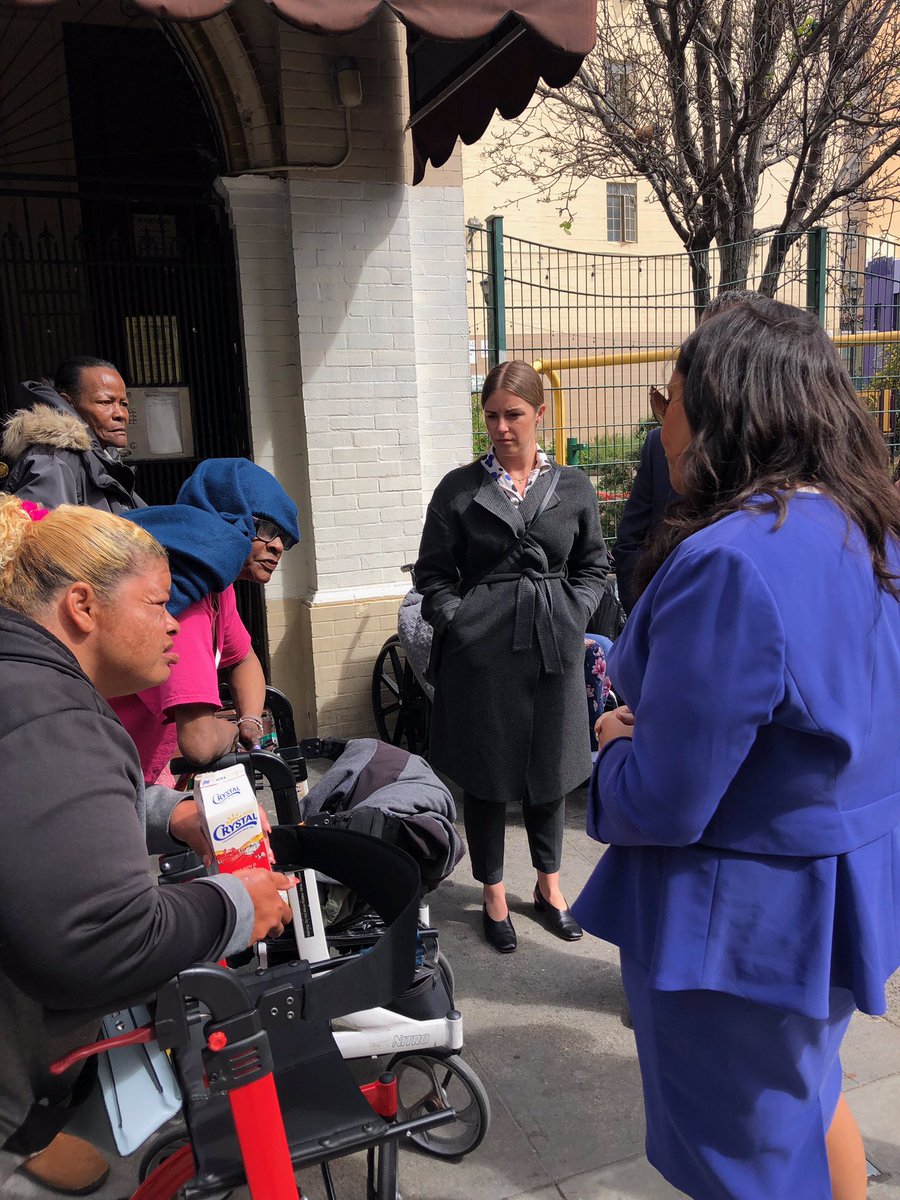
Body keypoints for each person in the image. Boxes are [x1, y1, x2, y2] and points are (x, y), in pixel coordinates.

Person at [573, 298, 900, 1200]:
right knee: (811, 1104)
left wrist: (614, 749)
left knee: (746, 1168)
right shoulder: (871, 530)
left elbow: (667, 797)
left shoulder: (734, 557)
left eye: (669, 399)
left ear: (724, 406)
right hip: (834, 903)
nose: (661, 424)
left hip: (738, 930)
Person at [0, 496, 294, 1195]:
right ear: (82, 605)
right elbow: (102, 940)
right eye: (159, 604)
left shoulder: (28, 683)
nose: (173, 624)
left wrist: (177, 815)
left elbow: (52, 812)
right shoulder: (51, 714)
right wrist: (235, 904)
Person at [415, 361, 610, 953]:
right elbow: (432, 575)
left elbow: (594, 565)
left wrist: (573, 612)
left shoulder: (573, 487)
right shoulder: (458, 488)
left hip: (552, 644)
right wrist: (462, 624)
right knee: (487, 774)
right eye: (492, 415)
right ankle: (494, 893)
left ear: (540, 414)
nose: (501, 427)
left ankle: (550, 887)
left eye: (514, 414)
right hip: (482, 655)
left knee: (550, 769)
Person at [111, 458, 299, 782]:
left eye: (285, 537)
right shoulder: (186, 601)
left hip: (143, 763)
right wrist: (231, 731)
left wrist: (250, 721)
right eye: (267, 529)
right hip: (117, 770)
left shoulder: (218, 588)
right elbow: (199, 743)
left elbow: (243, 659)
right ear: (226, 518)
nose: (278, 546)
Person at [613, 289, 760, 612]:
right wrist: (646, 615)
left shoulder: (779, 484)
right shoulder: (660, 445)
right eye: (664, 403)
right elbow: (630, 544)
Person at [1, 356, 144, 512]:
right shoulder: (53, 462)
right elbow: (45, 527)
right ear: (68, 403)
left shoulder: (106, 458)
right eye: (105, 402)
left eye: (123, 404)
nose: (121, 414)